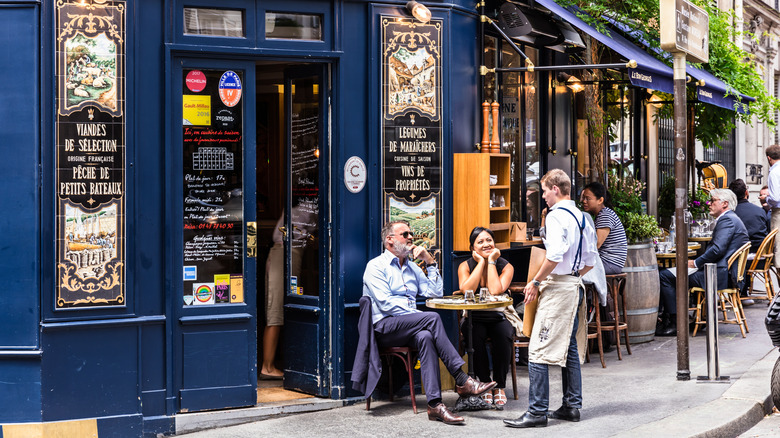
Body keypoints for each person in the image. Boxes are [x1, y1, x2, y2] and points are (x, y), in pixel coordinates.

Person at [362, 220, 496, 425]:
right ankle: (461, 379)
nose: (410, 238)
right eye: (404, 234)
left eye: (411, 234)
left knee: (425, 336)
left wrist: (430, 261)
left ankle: (435, 405)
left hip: (408, 326)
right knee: (430, 318)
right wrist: (418, 316)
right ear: (389, 240)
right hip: (384, 327)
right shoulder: (376, 266)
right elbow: (385, 304)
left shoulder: (412, 268)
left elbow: (434, 292)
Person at [504, 169, 598, 428]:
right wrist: (572, 275)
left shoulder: (557, 216)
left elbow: (554, 254)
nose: (543, 195)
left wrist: (535, 281)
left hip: (558, 289)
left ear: (555, 188)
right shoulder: (582, 216)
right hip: (575, 285)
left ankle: (536, 412)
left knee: (538, 349)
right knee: (568, 348)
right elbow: (591, 259)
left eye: (544, 190)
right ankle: (571, 406)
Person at [655, 189, 750, 336]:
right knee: (667, 273)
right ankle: (677, 318)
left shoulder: (728, 220)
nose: (709, 204)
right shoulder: (731, 218)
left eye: (713, 201)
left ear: (724, 204)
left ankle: (675, 323)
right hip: (722, 272)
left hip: (719, 275)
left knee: (664, 276)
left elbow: (717, 249)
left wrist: (697, 263)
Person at [457, 227, 515, 408]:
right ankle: (484, 383)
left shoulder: (505, 266)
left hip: (498, 316)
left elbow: (496, 290)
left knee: (504, 334)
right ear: (472, 247)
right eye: (480, 242)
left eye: (489, 240)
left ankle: (499, 385)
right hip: (474, 317)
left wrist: (490, 262)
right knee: (473, 333)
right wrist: (480, 263)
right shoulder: (465, 266)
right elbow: (467, 290)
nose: (486, 244)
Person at [580, 181, 628, 275]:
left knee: (575, 270)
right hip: (608, 262)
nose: (584, 201)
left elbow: (596, 244)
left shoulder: (605, 215)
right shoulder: (603, 214)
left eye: (588, 198)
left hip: (610, 263)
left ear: (600, 200)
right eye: (583, 198)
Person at [729, 179, 767, 253]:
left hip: (739, 255)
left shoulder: (730, 214)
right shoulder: (760, 211)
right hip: (761, 253)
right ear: (746, 192)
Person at [766, 145, 780, 265]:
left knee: (779, 248)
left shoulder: (774, 172)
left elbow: (775, 198)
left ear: (769, 158)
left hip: (779, 212)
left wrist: (766, 199)